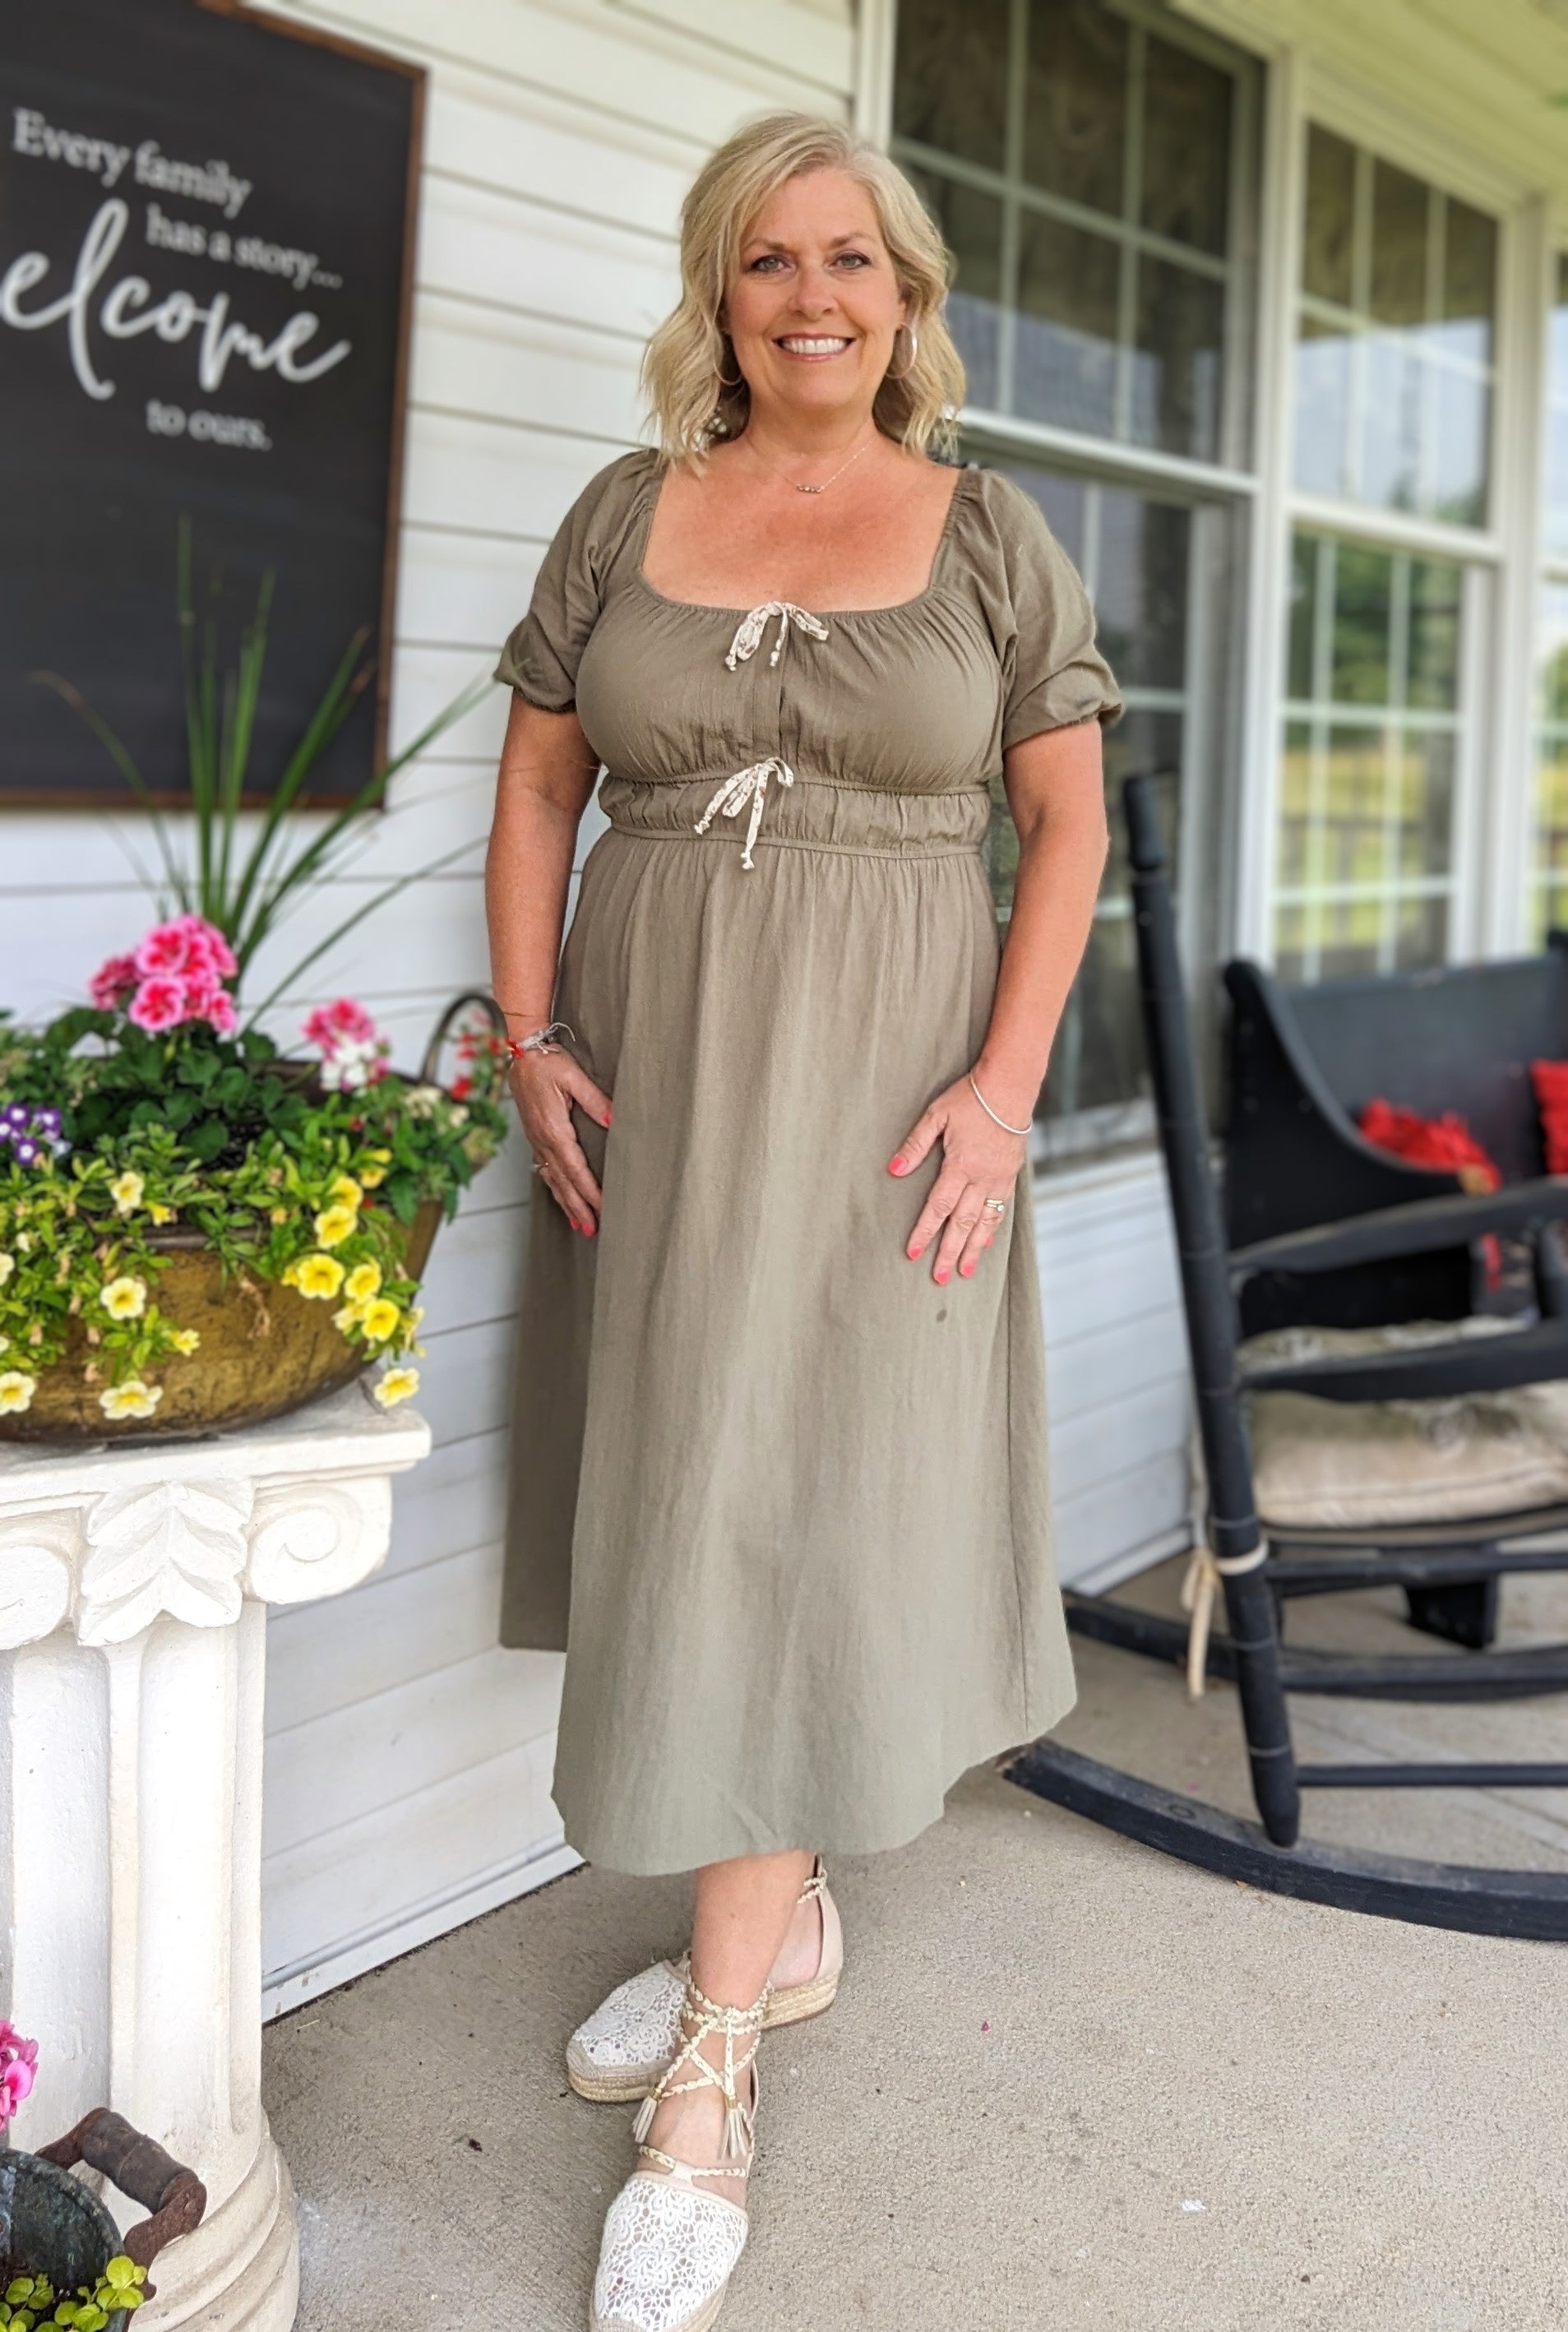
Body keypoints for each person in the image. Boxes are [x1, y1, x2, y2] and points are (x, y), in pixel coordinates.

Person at [485, 108, 1120, 2332]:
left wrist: (1002, 1091)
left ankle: (716, 2061)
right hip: (658, 1078)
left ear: (905, 293)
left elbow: (1063, 827)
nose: (812, 294)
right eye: (769, 259)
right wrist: (528, 1031)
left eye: (851, 256)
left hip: (885, 1099)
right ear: (719, 292)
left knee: (799, 1502)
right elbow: (541, 776)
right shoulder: (623, 511)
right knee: (700, 1485)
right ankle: (783, 1917)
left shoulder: (988, 533)